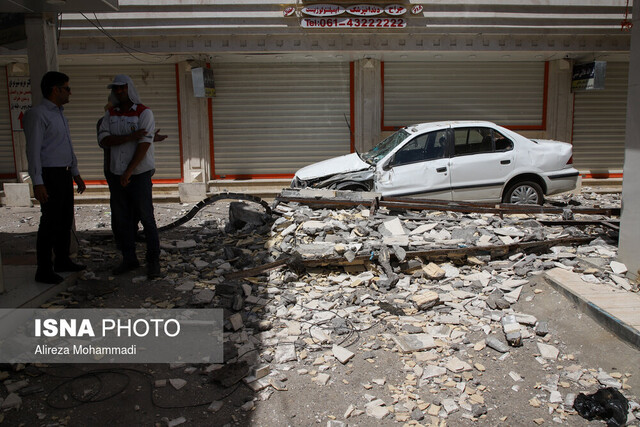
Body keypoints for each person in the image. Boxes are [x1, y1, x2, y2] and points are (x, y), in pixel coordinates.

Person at [24, 71, 86, 284]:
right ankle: (44, 268)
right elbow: (33, 151)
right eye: (67, 88)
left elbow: (66, 146)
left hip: (64, 172)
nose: (70, 92)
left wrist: (75, 173)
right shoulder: (38, 114)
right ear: (55, 89)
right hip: (50, 175)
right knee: (49, 221)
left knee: (65, 219)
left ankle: (62, 259)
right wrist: (38, 181)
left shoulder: (60, 115)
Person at [98, 74, 161, 279]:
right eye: (115, 89)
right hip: (117, 175)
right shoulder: (110, 115)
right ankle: (129, 259)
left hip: (139, 174)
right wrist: (128, 137)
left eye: (122, 88)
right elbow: (104, 140)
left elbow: (143, 145)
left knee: (146, 218)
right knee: (122, 219)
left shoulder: (144, 113)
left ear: (129, 89)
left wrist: (128, 171)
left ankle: (153, 261)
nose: (118, 92)